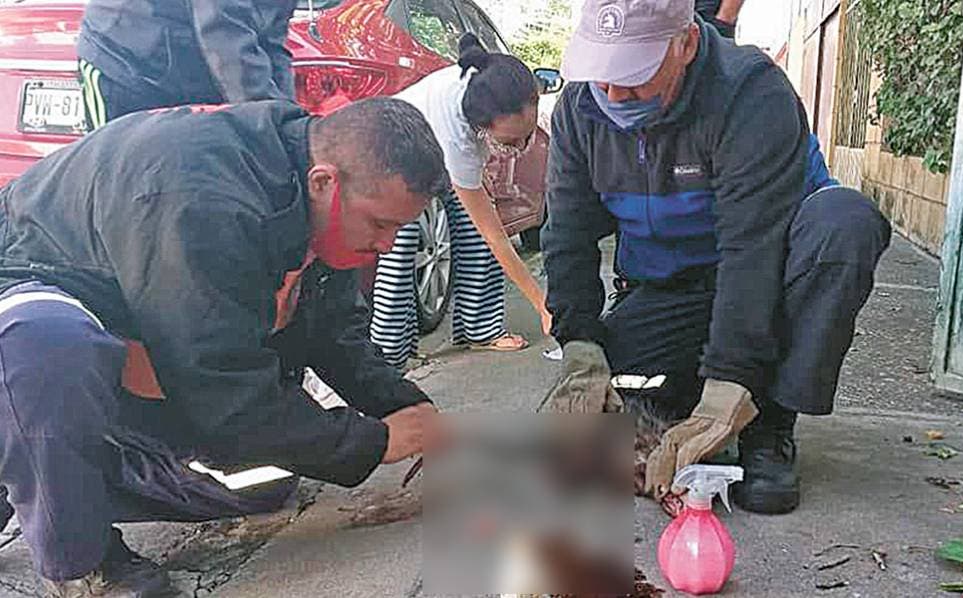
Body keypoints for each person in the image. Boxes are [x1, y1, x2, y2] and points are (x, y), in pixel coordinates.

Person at [0, 97, 449, 596]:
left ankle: (55, 468)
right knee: (50, 348)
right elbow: (220, 387)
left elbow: (334, 332)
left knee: (262, 482)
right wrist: (374, 441)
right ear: (325, 182)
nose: (387, 245)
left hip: (134, 306)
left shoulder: (306, 180)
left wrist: (403, 404)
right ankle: (78, 558)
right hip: (27, 278)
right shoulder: (204, 198)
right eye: (380, 224)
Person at [541, 0, 891, 515]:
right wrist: (579, 343)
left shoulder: (750, 93)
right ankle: (692, 400)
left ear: (685, 44)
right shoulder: (578, 109)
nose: (613, 95)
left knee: (844, 224)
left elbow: (751, 249)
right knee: (607, 413)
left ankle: (768, 422)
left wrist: (729, 382)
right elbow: (567, 233)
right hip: (668, 288)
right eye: (601, 75)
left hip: (767, 275)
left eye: (633, 76)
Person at [371, 34, 551, 367]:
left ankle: (478, 329)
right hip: (393, 159)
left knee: (474, 232)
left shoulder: (489, 85)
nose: (523, 146)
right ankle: (388, 358)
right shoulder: (456, 134)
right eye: (512, 140)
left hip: (431, 152)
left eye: (526, 134)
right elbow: (495, 236)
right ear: (480, 128)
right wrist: (541, 303)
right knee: (400, 249)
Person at [76, 0, 297, 130]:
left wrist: (288, 117)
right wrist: (267, 124)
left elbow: (272, 38)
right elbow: (223, 31)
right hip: (123, 59)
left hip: (193, 63)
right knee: (117, 180)